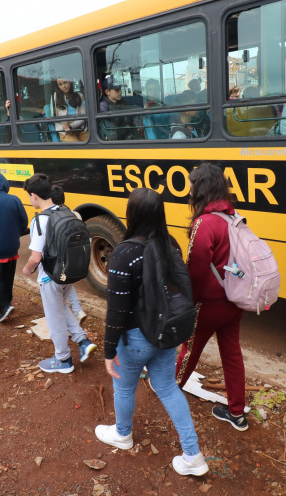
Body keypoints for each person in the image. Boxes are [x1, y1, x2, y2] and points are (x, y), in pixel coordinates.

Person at [95, 188, 209, 477]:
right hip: (165, 334)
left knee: (123, 387)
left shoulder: (124, 253)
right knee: (168, 388)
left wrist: (109, 351)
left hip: (134, 339)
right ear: (160, 214)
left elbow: (117, 311)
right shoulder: (170, 245)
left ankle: (123, 434)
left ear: (132, 214)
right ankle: (193, 455)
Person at [176, 163, 248, 431]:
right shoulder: (234, 217)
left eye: (192, 186)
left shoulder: (204, 224)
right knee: (232, 354)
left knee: (188, 352)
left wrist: (187, 304)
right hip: (235, 300)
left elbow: (195, 271)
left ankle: (170, 392)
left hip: (208, 305)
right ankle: (237, 413)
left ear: (200, 189)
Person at [22, 173, 96, 373]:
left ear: (34, 195)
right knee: (62, 308)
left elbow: (36, 257)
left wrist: (27, 269)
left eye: (29, 196)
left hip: (50, 276)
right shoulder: (65, 212)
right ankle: (82, 341)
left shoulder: (39, 220)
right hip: (67, 273)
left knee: (54, 317)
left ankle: (62, 359)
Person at [0, 170, 29, 323]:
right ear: (4, 184)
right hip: (11, 248)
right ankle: (8, 302)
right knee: (8, 277)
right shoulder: (14, 200)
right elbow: (23, 223)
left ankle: (3, 308)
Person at [50, 185, 86, 321]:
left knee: (60, 292)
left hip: (59, 262)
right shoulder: (75, 214)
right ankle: (78, 310)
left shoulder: (53, 217)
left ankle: (71, 323)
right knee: (68, 285)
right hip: (76, 259)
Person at [49, 78, 88, 142]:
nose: (63, 86)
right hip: (64, 129)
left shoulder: (79, 95)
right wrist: (66, 126)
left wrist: (71, 125)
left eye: (65, 82)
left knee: (90, 146)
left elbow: (83, 116)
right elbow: (53, 116)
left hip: (80, 127)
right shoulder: (54, 97)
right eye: (60, 84)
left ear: (70, 82)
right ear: (58, 86)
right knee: (78, 147)